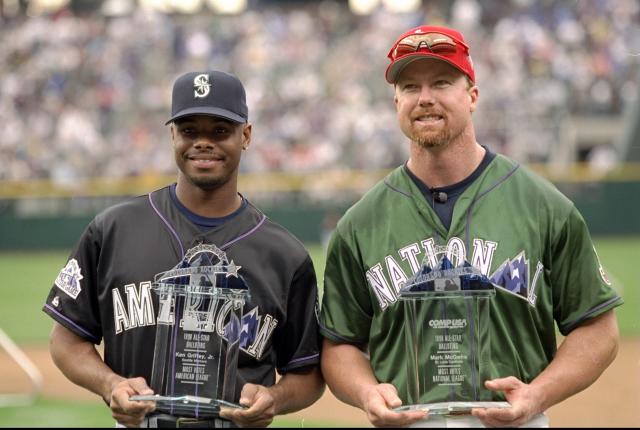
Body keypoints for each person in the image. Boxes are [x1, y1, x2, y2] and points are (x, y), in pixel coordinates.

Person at [319, 25, 622, 427]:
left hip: (513, 422)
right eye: (410, 87)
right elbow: (339, 344)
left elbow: (598, 329)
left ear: (472, 96)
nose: (424, 98)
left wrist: (537, 394)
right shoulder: (359, 224)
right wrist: (365, 391)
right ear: (396, 102)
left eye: (441, 82)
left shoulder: (543, 206)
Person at [43, 70, 324, 428]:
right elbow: (65, 340)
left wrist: (275, 398)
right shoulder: (113, 229)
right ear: (172, 134)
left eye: (220, 130)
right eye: (190, 130)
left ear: (246, 136)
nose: (203, 142)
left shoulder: (285, 254)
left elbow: (308, 372)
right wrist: (110, 383)